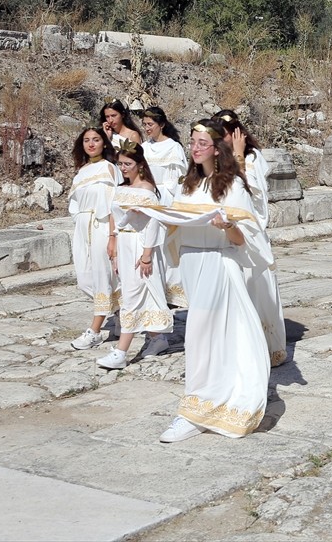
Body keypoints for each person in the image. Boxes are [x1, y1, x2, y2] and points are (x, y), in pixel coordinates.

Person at [140, 119, 272, 443]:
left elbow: (244, 239)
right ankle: (207, 400)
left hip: (218, 262)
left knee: (201, 334)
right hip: (191, 262)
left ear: (217, 148)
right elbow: (173, 218)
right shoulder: (187, 184)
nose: (196, 148)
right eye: (193, 142)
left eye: (202, 143)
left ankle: (195, 409)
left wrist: (225, 226)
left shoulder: (233, 186)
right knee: (206, 335)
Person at [214, 109, 288, 366]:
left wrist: (238, 155)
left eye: (223, 136)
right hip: (227, 230)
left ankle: (268, 346)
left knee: (257, 286)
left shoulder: (251, 158)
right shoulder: (217, 158)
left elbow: (252, 195)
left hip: (251, 229)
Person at [96, 141, 172, 370]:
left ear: (140, 165)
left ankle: (121, 351)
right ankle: (158, 339)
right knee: (135, 291)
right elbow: (114, 215)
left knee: (132, 296)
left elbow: (153, 224)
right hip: (124, 243)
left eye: (128, 164)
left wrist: (147, 255)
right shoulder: (120, 188)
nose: (123, 168)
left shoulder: (147, 190)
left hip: (140, 245)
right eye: (120, 164)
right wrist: (114, 244)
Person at [136, 106, 189, 356]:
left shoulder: (173, 148)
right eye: (144, 124)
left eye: (150, 124)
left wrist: (169, 200)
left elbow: (179, 179)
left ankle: (170, 295)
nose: (147, 128)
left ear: (161, 124)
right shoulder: (145, 148)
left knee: (168, 250)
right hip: (148, 201)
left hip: (166, 200)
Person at [67, 127, 121, 351]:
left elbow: (114, 205)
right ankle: (120, 316)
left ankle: (95, 331)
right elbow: (75, 205)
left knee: (100, 275)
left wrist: (112, 237)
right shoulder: (81, 172)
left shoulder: (109, 168)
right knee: (86, 277)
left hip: (101, 228)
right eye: (87, 140)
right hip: (83, 229)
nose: (91, 144)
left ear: (104, 143)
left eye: (96, 140)